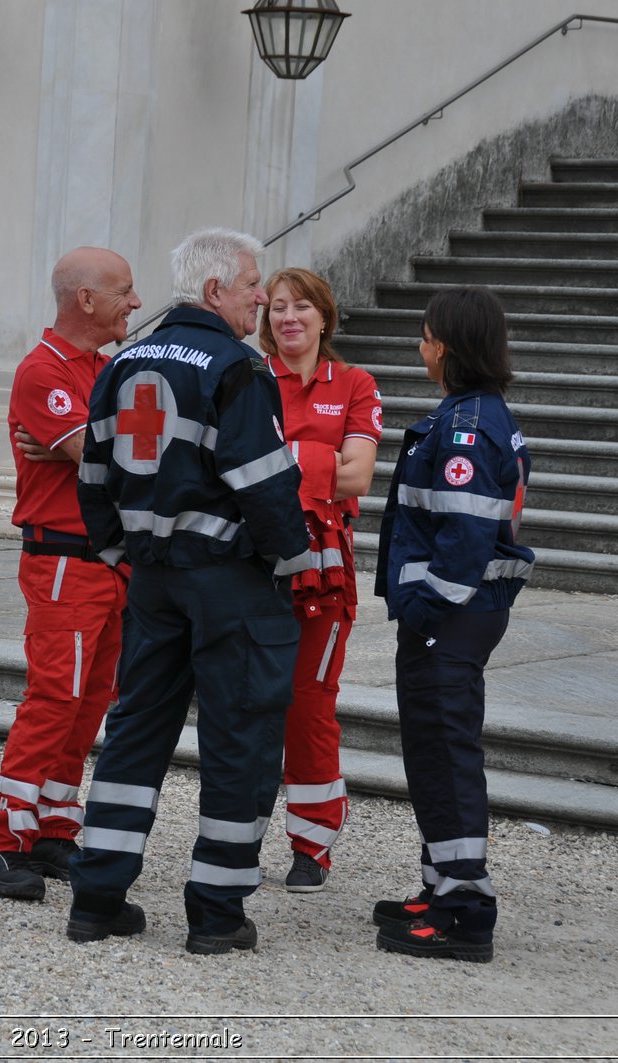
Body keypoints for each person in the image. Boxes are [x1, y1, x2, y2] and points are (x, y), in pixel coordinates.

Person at [69, 227, 311, 955]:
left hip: (152, 580)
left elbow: (93, 476)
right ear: (214, 292)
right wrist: (293, 556)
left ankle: (97, 896)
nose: (261, 297)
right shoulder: (237, 366)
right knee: (241, 738)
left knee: (136, 730)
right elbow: (265, 480)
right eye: (250, 285)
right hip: (228, 580)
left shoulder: (123, 362)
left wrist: (124, 550)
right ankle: (215, 911)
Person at [0, 248, 141, 901]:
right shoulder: (42, 371)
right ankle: (1, 839)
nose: (135, 300)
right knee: (55, 699)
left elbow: (132, 453)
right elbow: (118, 459)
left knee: (89, 701)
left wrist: (90, 443)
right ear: (87, 301)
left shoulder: (109, 369)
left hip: (106, 560)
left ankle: (50, 826)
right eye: (124, 290)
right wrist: (95, 445)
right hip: (66, 558)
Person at [374, 285, 534, 963]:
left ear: (451, 344)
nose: (421, 343)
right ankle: (442, 884)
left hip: (451, 618)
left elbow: (464, 539)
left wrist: (424, 606)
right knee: (434, 752)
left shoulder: (467, 425)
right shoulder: (473, 413)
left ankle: (465, 908)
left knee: (445, 753)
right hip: (458, 617)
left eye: (428, 333)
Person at [256, 268, 381, 893]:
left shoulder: (354, 383)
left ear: (324, 317)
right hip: (251, 564)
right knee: (249, 702)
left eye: (301, 306)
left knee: (309, 709)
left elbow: (360, 479)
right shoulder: (249, 378)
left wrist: (277, 459)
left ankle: (312, 844)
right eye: (277, 307)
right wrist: (320, 459)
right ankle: (241, 829)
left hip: (325, 571)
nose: (288, 317)